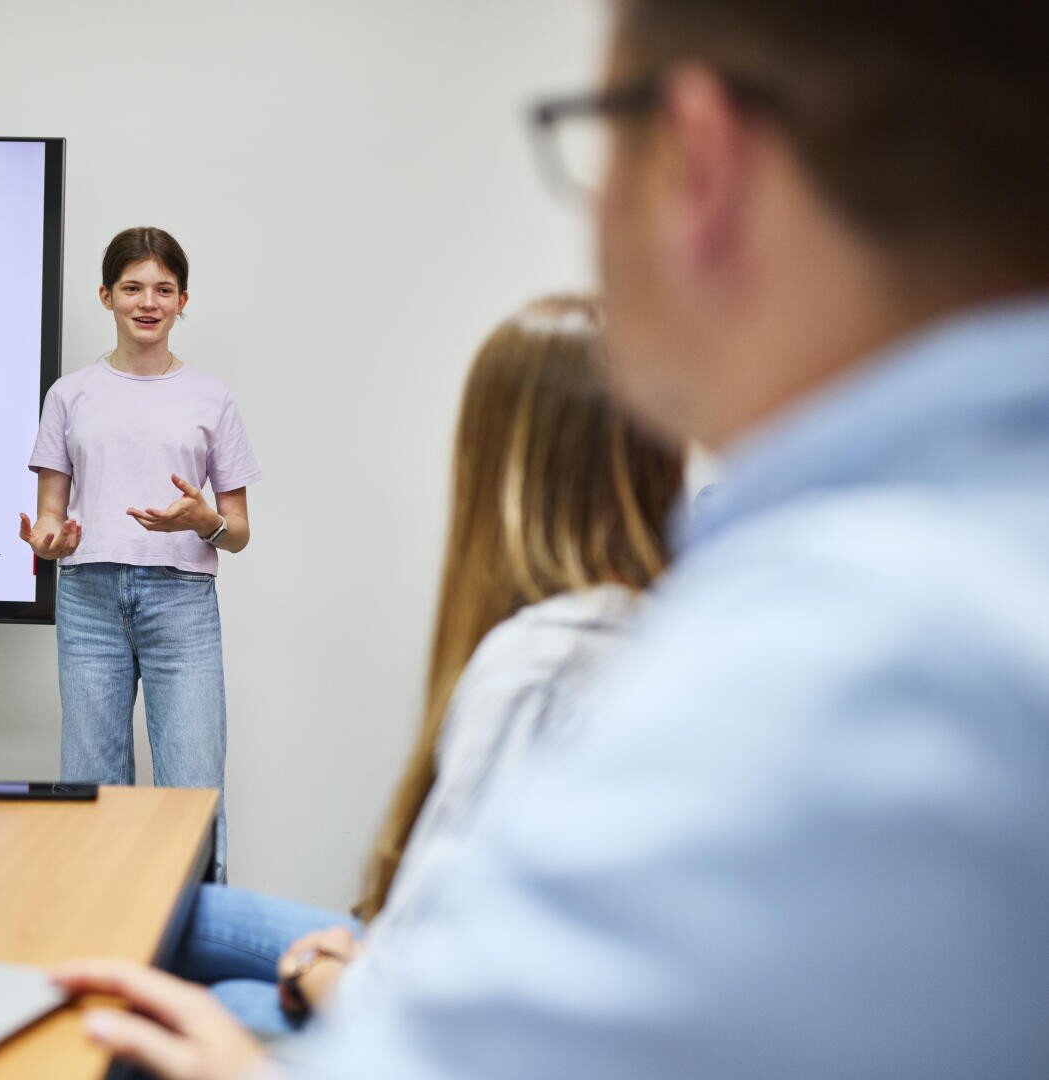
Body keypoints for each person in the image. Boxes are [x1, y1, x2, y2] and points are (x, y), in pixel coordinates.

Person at [53, 1, 1049, 1076]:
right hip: (100, 605)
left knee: (130, 952)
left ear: (694, 158)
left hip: (202, 640)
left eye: (595, 137)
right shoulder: (902, 574)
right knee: (120, 856)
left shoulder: (818, 649)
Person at [168, 295, 683, 1036]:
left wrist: (319, 970)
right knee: (184, 909)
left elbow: (436, 1002)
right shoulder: (655, 619)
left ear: (499, 464)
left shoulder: (540, 665)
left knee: (207, 1003)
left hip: (444, 1016)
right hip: (438, 965)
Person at [22, 227, 261, 883]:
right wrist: (50, 539)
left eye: (162, 289)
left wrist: (204, 519)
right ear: (106, 295)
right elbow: (50, 512)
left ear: (183, 299)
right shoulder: (70, 394)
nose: (147, 302)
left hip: (180, 602)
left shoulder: (211, 398)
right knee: (90, 786)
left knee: (190, 789)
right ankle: (99, 936)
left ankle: (192, 948)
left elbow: (237, 530)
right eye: (132, 288)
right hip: (89, 600)